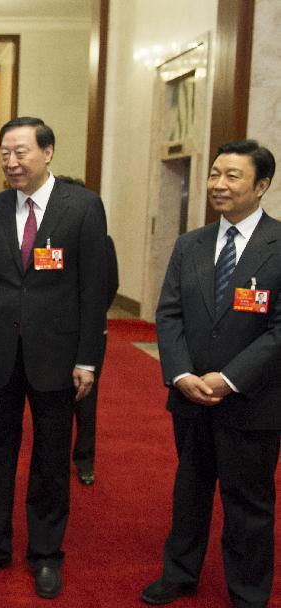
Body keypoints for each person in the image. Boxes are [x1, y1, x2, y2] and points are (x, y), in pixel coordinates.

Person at [0, 117, 108, 599]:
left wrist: (88, 360)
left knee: (50, 460)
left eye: (21, 152)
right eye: (5, 152)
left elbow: (94, 290)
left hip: (58, 355)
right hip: (1, 355)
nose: (12, 161)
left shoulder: (82, 208)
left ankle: (46, 553)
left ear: (48, 152)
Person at [142, 140, 280, 608]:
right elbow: (170, 315)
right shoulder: (190, 245)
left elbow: (279, 330)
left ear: (262, 185)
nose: (218, 184)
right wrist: (181, 374)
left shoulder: (279, 246)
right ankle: (180, 572)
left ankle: (248, 591)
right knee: (190, 489)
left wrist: (230, 377)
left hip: (252, 401)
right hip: (191, 396)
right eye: (214, 173)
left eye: (233, 176)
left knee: (250, 504)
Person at [54, 175, 120, 486]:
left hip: (91, 333)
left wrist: (88, 318)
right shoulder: (51, 236)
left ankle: (84, 458)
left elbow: (109, 285)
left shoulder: (102, 241)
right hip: (55, 332)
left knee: (86, 400)